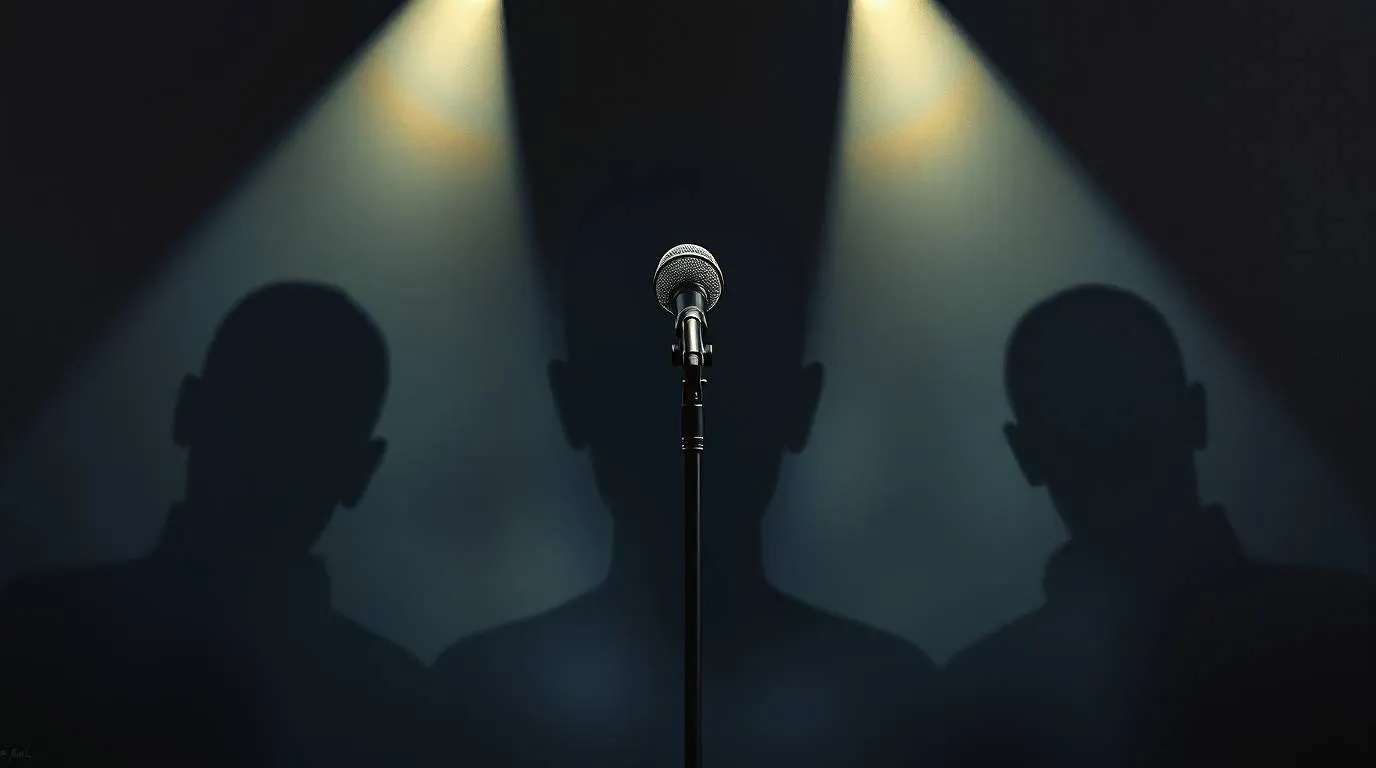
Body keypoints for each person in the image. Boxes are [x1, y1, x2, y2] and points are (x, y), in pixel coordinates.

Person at [431, 154, 940, 767]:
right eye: (633, 374)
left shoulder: (893, 704)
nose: (681, 406)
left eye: (738, 375)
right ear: (573, 405)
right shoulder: (481, 701)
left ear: (800, 406)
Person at [935, 284, 1376, 766]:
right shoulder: (1348, 632)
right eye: (1083, 414)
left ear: (1026, 454)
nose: (1109, 435)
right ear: (1195, 414)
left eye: (1125, 404)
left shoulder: (976, 698)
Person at [0, 282, 438, 767]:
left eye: (305, 427)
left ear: (189, 409)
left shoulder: (36, 633)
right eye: (259, 408)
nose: (273, 455)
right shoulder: (403, 705)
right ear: (362, 470)